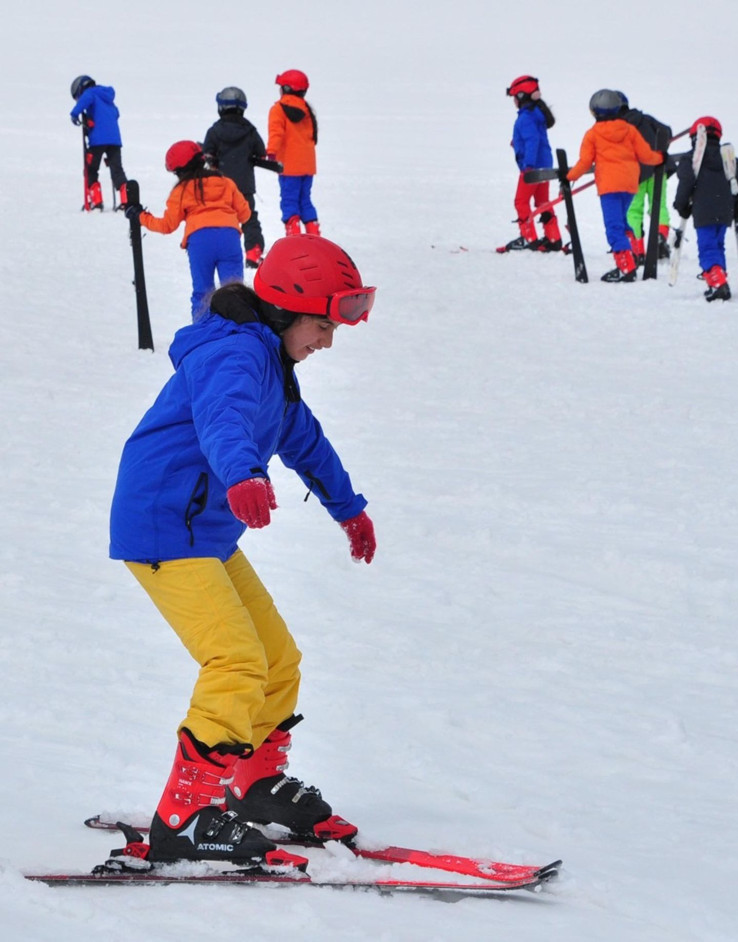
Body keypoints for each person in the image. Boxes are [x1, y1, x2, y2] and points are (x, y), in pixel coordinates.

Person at [108, 233, 377, 868]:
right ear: (285, 312)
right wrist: (242, 474)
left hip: (203, 530)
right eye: (322, 325)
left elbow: (304, 441)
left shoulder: (273, 366)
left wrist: (349, 508)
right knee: (235, 662)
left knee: (277, 660)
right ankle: (185, 816)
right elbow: (222, 418)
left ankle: (251, 782)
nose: (328, 341)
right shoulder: (234, 355)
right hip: (164, 522)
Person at [127, 140, 251, 319]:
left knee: (203, 294)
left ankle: (202, 331)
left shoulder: (182, 190)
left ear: (179, 171)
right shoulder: (226, 183)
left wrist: (140, 216)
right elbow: (245, 214)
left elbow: (167, 225)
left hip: (200, 241)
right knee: (235, 293)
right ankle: (240, 330)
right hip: (229, 238)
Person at [563, 89, 664, 282]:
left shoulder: (592, 134)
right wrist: (660, 157)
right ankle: (633, 254)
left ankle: (626, 267)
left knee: (613, 227)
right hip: (630, 184)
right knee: (623, 221)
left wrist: (569, 176)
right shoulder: (629, 130)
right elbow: (646, 155)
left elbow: (585, 162)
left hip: (609, 187)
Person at [673, 116, 738, 302]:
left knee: (707, 248)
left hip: (704, 210)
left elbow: (686, 182)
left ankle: (717, 282)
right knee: (717, 245)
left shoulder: (692, 159)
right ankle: (719, 277)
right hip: (725, 210)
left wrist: (681, 205)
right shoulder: (729, 160)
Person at [203, 86, 268, 269]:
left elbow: (207, 152)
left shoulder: (215, 130)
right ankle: (253, 253)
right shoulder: (250, 130)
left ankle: (219, 252)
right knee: (249, 219)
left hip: (220, 186)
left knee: (221, 219)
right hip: (244, 186)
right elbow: (261, 152)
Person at [503, 75, 563, 252]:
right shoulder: (536, 114)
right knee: (543, 202)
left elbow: (532, 141)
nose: (513, 101)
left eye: (514, 97)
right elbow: (534, 139)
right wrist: (517, 143)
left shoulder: (526, 117)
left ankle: (528, 238)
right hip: (544, 166)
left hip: (532, 169)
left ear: (521, 97)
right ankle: (553, 238)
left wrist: (528, 166)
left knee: (521, 202)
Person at [616, 91, 674, 264]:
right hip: (658, 169)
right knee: (659, 206)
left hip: (635, 174)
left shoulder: (618, 127)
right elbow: (666, 132)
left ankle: (637, 249)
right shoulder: (645, 118)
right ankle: (660, 237)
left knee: (633, 210)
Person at [266, 69, 320, 236]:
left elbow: (276, 133)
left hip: (288, 166)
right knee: (305, 201)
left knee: (289, 202)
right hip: (308, 166)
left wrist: (271, 153)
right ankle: (314, 236)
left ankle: (294, 237)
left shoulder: (278, 109)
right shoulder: (307, 110)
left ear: (286, 89)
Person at [69, 75, 128, 211]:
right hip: (115, 140)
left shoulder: (90, 93)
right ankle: (126, 200)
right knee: (117, 169)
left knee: (91, 169)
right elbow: (116, 113)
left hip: (97, 140)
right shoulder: (108, 98)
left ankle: (96, 201)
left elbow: (85, 100)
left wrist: (75, 114)